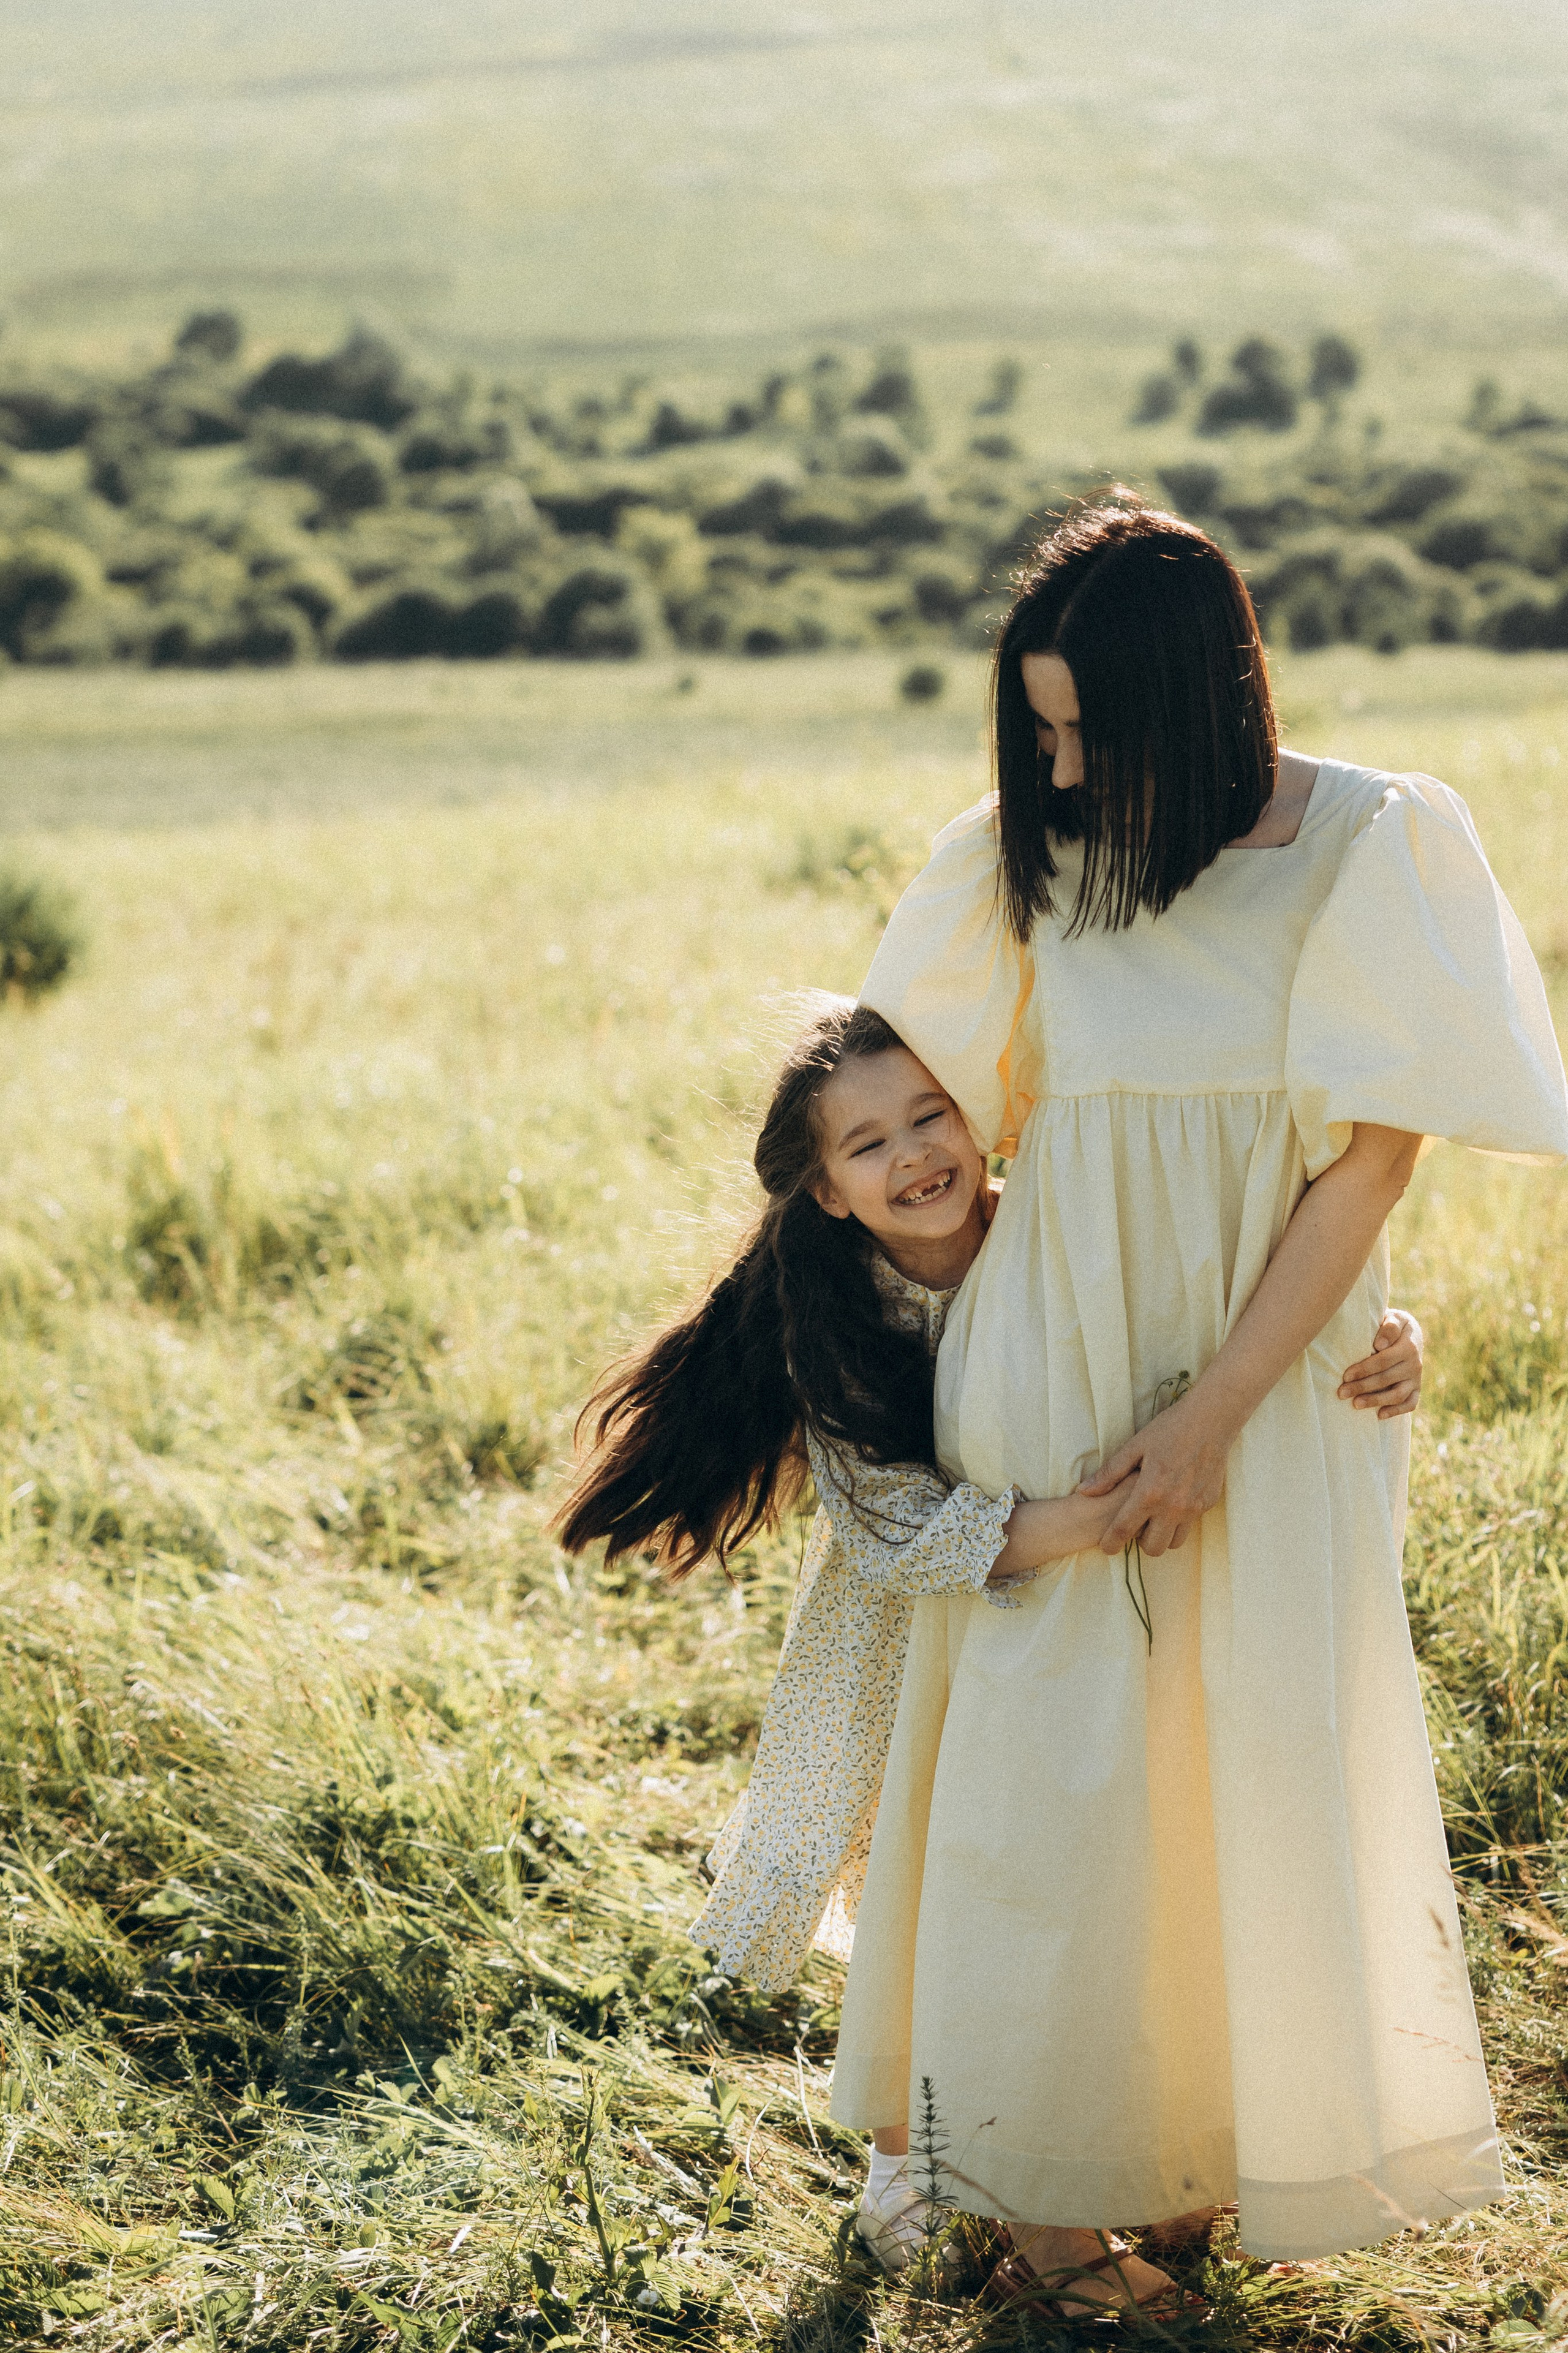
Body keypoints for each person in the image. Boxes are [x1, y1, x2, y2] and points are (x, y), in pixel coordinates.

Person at [826, 498, 1568, 2317]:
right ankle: (1036, 2197)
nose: (1060, 760)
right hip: (1053, 1373)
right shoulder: (1022, 853)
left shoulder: (1376, 842)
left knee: (1246, 1753)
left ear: (1203, 694)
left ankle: (1181, 2155)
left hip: (1275, 1382)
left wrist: (1237, 1402)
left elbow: (1362, 1167)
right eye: (1044, 723)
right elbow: (887, 1133)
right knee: (1050, 1776)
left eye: (1090, 725)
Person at [551, 989, 1428, 2279]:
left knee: (1098, 1861)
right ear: (830, 1192)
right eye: (867, 1144)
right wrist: (1101, 1513)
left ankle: (1139, 2136)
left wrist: (1376, 1339)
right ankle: (925, 2152)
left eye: (931, 1112)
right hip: (916, 1626)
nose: (914, 1153)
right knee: (940, 1876)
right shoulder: (841, 1319)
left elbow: (1218, 1332)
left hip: (1084, 1619)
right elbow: (899, 1533)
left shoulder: (1059, 1243)